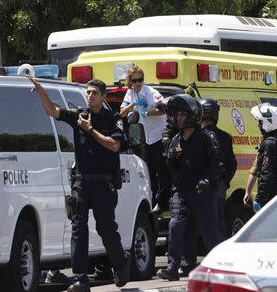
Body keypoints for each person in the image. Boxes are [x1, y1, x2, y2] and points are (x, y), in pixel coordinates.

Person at [29, 77, 131, 292]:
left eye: (94, 92)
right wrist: (42, 94)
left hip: (104, 184)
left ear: (103, 97)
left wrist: (90, 130)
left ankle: (121, 264)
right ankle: (80, 278)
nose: (90, 95)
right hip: (82, 182)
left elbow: (114, 146)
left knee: (106, 228)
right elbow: (53, 112)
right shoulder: (79, 116)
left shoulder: (111, 119)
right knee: (78, 228)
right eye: (88, 92)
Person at [156, 94, 222, 281]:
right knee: (175, 224)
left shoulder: (207, 138)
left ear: (193, 115)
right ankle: (172, 267)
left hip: (203, 192)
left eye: (183, 114)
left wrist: (207, 181)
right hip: (182, 191)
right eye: (177, 115)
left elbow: (216, 164)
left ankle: (219, 267)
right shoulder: (175, 140)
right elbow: (171, 167)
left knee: (210, 232)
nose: (178, 118)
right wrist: (172, 158)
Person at [119, 65, 167, 210]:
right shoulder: (130, 94)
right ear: (130, 82)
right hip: (145, 137)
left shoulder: (151, 92)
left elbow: (164, 108)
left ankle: (163, 202)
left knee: (161, 169)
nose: (138, 83)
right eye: (135, 81)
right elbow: (121, 113)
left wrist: (148, 112)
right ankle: (151, 200)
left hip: (158, 134)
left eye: (141, 80)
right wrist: (133, 104)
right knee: (148, 170)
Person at [199, 98, 236, 239]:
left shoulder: (196, 136)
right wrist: (225, 180)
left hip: (203, 184)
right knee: (220, 219)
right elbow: (232, 163)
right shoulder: (225, 136)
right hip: (219, 183)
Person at [153, 96, 179, 213]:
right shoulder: (167, 131)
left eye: (170, 114)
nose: (168, 118)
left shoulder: (192, 131)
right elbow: (168, 147)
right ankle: (162, 202)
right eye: (167, 114)